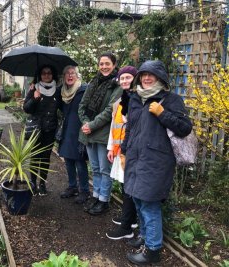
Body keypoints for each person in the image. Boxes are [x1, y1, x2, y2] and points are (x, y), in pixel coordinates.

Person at [120, 60, 193, 265]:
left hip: (156, 161)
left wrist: (162, 114)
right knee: (137, 199)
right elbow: (131, 129)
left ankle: (152, 250)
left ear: (161, 78)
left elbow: (184, 128)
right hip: (135, 159)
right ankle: (144, 236)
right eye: (143, 75)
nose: (146, 78)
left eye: (151, 75)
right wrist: (124, 152)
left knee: (149, 204)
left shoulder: (170, 100)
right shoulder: (135, 99)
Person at [78, 52, 122, 215]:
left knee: (104, 169)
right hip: (88, 132)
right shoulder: (93, 82)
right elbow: (82, 105)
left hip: (104, 133)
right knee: (95, 168)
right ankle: (96, 196)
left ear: (114, 64)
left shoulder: (117, 85)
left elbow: (111, 109)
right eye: (101, 64)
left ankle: (104, 200)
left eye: (107, 64)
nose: (104, 67)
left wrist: (92, 124)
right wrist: (85, 123)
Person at [105, 66, 139, 240]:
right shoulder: (120, 100)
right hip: (121, 150)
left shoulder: (138, 99)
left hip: (132, 151)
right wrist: (111, 147)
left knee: (129, 186)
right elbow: (114, 126)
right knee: (126, 186)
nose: (125, 81)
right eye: (122, 78)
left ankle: (127, 227)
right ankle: (129, 220)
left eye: (128, 78)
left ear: (135, 79)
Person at [23, 65, 62, 196]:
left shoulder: (57, 91)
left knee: (45, 158)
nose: (46, 75)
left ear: (53, 75)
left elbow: (62, 108)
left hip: (49, 130)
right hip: (36, 129)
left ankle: (42, 183)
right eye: (44, 73)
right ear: (40, 75)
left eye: (49, 73)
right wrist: (35, 98)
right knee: (34, 157)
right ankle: (33, 182)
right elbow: (26, 109)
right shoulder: (34, 89)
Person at [58, 65, 90, 204]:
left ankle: (84, 190)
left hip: (79, 130)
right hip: (67, 130)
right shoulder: (63, 92)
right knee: (68, 160)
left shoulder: (83, 90)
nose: (70, 76)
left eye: (73, 73)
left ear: (77, 76)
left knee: (79, 161)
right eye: (67, 74)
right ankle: (72, 187)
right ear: (64, 77)